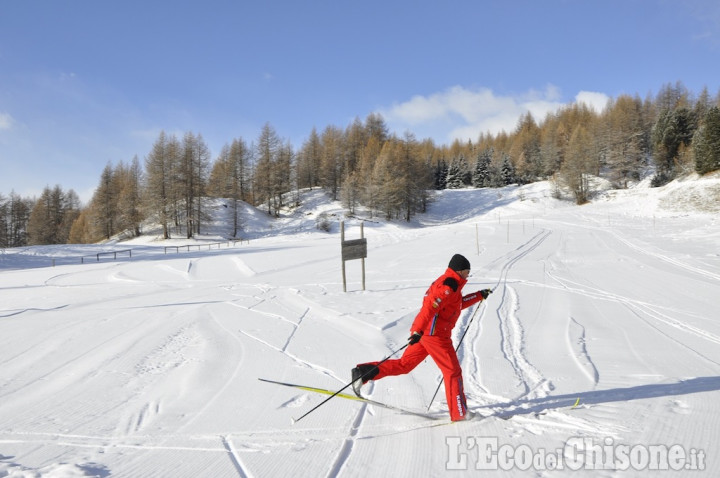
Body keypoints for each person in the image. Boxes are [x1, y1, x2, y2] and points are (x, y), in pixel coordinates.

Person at [352, 254, 492, 421]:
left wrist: (478, 295)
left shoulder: (452, 283)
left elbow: (457, 304)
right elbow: (429, 307)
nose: (468, 276)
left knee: (404, 365)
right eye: (467, 272)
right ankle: (460, 413)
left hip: (427, 335)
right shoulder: (449, 285)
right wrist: (417, 330)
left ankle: (363, 373)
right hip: (435, 336)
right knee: (453, 372)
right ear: (460, 271)